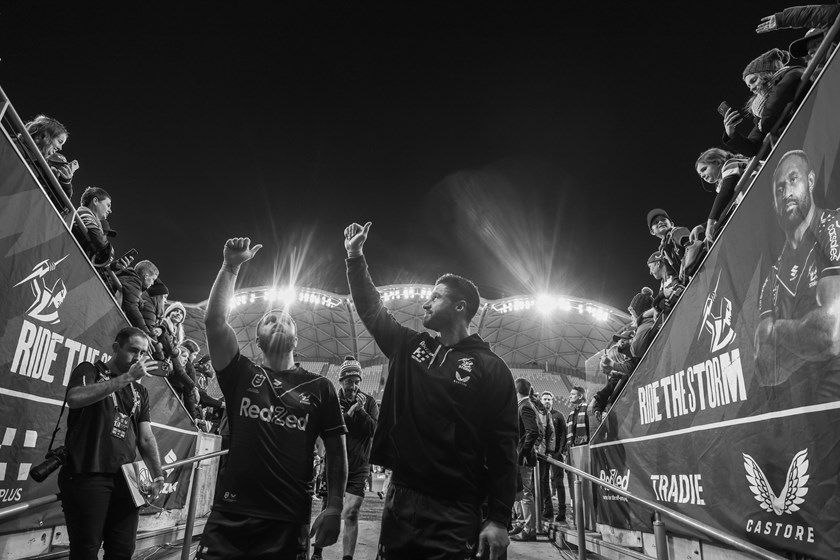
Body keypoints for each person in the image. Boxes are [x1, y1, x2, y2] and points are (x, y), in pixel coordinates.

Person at [344, 221, 518, 560]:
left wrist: (499, 518)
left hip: (456, 509)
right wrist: (354, 257)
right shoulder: (411, 346)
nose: (425, 304)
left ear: (460, 307)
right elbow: (371, 308)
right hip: (401, 500)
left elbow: (504, 448)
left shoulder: (491, 368)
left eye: (435, 297)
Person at [198, 237, 347, 559]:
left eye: (286, 320)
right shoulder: (239, 374)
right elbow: (214, 322)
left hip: (287, 520)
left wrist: (334, 505)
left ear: (296, 337)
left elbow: (336, 452)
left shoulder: (321, 387)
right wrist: (230, 266)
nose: (278, 321)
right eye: (270, 320)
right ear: (258, 338)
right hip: (230, 516)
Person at [58, 326, 165, 560]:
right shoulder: (90, 370)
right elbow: (75, 398)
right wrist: (126, 378)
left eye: (144, 353)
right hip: (87, 474)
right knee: (86, 550)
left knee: (122, 550)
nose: (139, 358)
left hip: (127, 480)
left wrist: (158, 475)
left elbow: (146, 438)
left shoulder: (140, 391)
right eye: (133, 350)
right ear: (116, 348)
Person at [755, 150, 840, 405]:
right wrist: (806, 331)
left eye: (794, 180)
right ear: (774, 203)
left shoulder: (832, 226)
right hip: (813, 412)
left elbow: (831, 333)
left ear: (810, 181)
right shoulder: (772, 277)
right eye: (779, 188)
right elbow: (766, 370)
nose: (786, 192)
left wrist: (778, 329)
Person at [312, 356, 379, 560]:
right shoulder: (333, 401)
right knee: (328, 508)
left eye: (357, 381)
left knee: (350, 512)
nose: (354, 386)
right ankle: (317, 553)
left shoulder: (369, 402)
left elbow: (373, 430)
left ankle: (347, 558)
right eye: (350, 381)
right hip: (335, 464)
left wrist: (360, 412)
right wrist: (350, 413)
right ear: (341, 381)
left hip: (359, 466)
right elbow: (330, 430)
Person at [721, 48, 804, 157]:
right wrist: (731, 134)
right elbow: (752, 149)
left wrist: (764, 123)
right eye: (749, 86)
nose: (751, 89)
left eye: (753, 80)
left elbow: (777, 101)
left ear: (767, 73)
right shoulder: (762, 111)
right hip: (796, 146)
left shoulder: (792, 73)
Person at [695, 148, 750, 243]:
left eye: (704, 169)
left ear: (717, 162)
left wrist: (711, 220)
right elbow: (727, 209)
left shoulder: (730, 164)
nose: (703, 176)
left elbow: (726, 192)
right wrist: (703, 227)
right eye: (700, 175)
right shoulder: (722, 183)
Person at [509, 378, 541, 542]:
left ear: (516, 390)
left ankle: (529, 530)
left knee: (526, 493)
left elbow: (533, 432)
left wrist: (522, 453)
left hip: (523, 459)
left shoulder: (525, 406)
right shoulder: (524, 405)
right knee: (518, 492)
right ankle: (522, 524)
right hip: (519, 457)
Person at [23, 114, 79, 201]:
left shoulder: (44, 169)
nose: (60, 148)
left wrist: (65, 183)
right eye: (59, 141)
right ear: (43, 135)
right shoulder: (14, 145)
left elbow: (61, 206)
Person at [540, 391, 567, 524]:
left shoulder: (559, 415)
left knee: (558, 482)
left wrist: (560, 451)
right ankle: (548, 509)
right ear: (541, 400)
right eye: (545, 399)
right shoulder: (540, 416)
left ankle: (562, 512)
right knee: (544, 482)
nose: (547, 401)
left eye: (549, 399)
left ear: (553, 401)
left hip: (556, 454)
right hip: (544, 455)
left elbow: (563, 434)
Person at [565, 386, 589, 524]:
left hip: (583, 453)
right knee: (573, 483)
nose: (570, 396)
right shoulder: (571, 413)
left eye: (573, 394)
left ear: (580, 396)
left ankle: (585, 515)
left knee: (583, 483)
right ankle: (576, 513)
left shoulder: (587, 409)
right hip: (572, 454)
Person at [118, 260, 159, 334]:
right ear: (146, 276)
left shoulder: (129, 279)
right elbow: (132, 308)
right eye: (153, 279)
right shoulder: (134, 282)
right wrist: (146, 333)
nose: (152, 283)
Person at [646, 209, 690, 275]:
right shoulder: (663, 249)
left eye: (663, 219)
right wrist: (676, 284)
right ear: (652, 232)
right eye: (656, 222)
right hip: (691, 279)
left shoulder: (677, 232)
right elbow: (672, 272)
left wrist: (685, 268)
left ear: (671, 224)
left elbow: (693, 247)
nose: (660, 222)